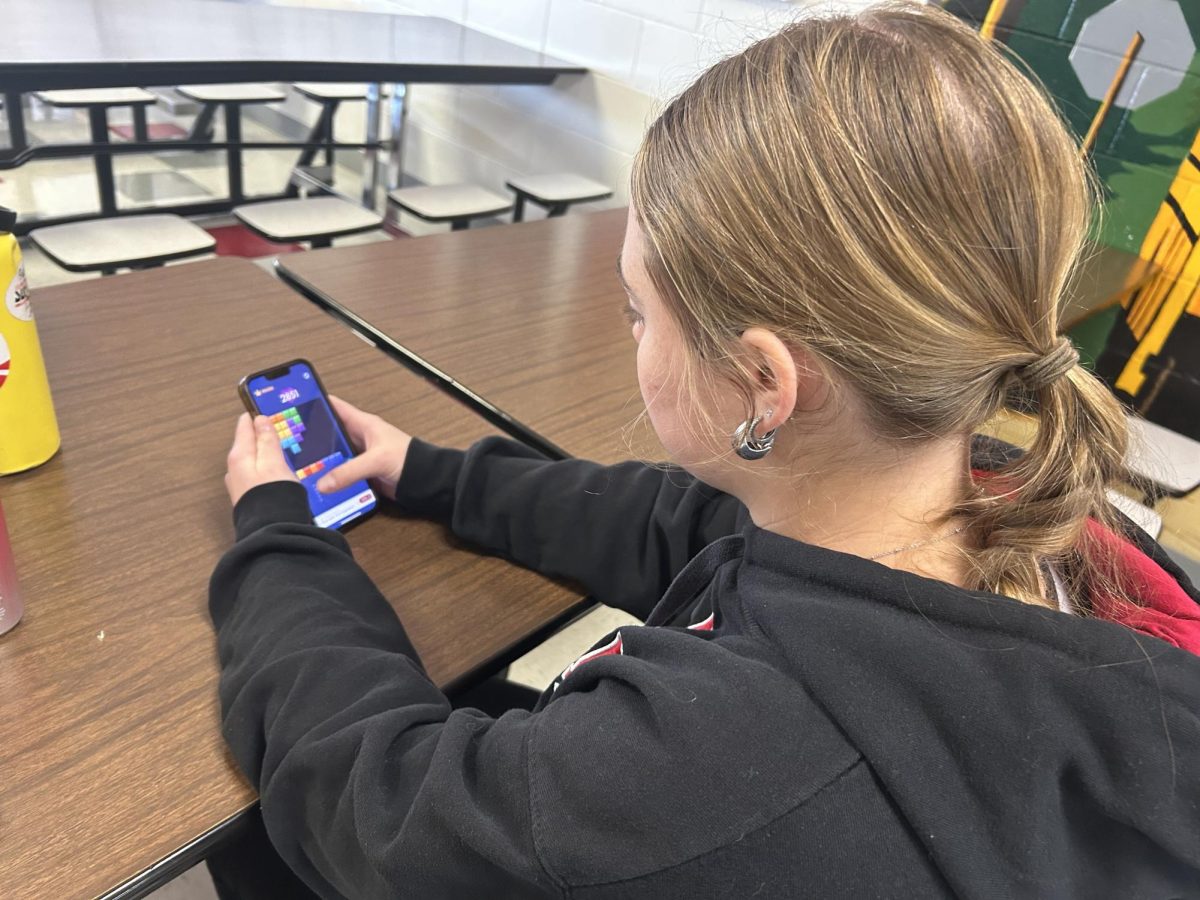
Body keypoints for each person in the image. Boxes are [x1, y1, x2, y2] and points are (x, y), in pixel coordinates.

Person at [208, 3, 1200, 897]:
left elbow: (387, 815)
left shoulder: (716, 764)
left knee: (249, 832)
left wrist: (277, 535)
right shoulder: (1004, 505)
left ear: (766, 382)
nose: (630, 333)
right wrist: (434, 474)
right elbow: (690, 523)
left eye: (640, 311)